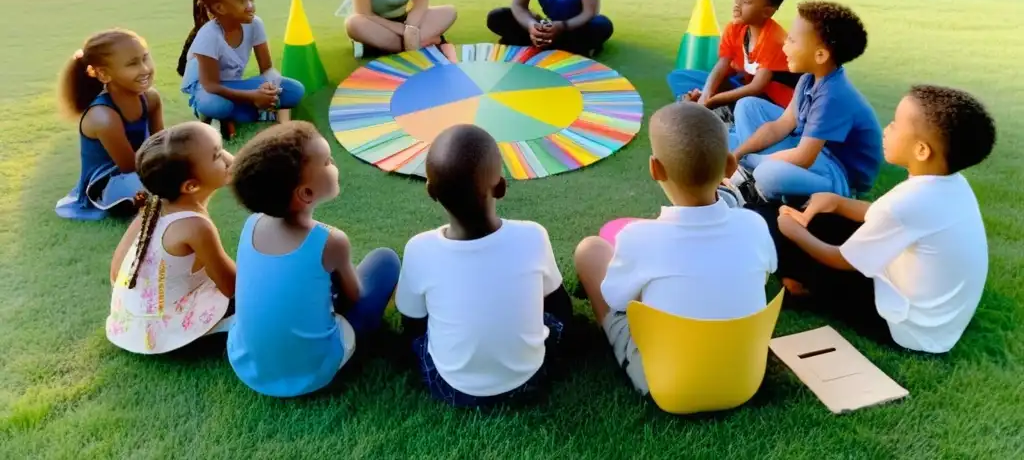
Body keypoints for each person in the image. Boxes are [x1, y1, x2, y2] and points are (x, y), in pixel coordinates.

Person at [773, 85, 996, 353]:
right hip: (940, 322)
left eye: (895, 124)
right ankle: (805, 276)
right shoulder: (951, 184)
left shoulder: (908, 202)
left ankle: (801, 288)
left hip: (907, 328)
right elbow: (885, 216)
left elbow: (841, 259)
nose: (887, 129)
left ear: (922, 150)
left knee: (804, 235)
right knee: (825, 217)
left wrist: (792, 232)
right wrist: (838, 203)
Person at [574, 102, 777, 396]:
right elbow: (764, 274)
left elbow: (616, 299)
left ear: (655, 169)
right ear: (731, 166)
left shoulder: (638, 237)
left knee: (590, 250)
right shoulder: (755, 225)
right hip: (746, 379)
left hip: (667, 386)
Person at [395, 124, 572, 408]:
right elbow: (556, 301)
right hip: (530, 380)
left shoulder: (419, 248)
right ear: (501, 187)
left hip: (453, 389)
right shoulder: (532, 235)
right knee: (558, 317)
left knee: (418, 337)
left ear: (430, 191)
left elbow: (413, 320)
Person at [226, 122, 401, 398]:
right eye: (328, 161)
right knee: (385, 261)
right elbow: (354, 297)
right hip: (312, 370)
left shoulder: (252, 224)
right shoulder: (330, 241)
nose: (334, 165)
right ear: (305, 193)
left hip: (249, 364)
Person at [730, 1, 883, 201]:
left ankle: (758, 182)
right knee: (747, 106)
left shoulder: (833, 96)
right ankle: (750, 170)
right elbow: (781, 125)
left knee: (767, 174)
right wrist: (739, 154)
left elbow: (803, 157)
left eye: (792, 41)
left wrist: (749, 160)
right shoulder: (809, 78)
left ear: (820, 55)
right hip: (814, 152)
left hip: (837, 173)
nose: (784, 46)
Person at [106, 122, 237, 354]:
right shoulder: (195, 226)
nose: (227, 158)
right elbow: (232, 286)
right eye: (217, 154)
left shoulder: (153, 206)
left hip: (129, 325)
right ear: (191, 185)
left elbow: (117, 274)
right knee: (265, 295)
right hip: (169, 335)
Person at [177, 0, 305, 140]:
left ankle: (238, 114)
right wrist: (253, 96)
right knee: (219, 105)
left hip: (235, 85)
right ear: (219, 8)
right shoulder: (209, 35)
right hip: (208, 90)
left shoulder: (255, 24)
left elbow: (267, 69)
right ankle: (218, 112)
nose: (250, 6)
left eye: (251, 0)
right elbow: (211, 85)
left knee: (294, 90)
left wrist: (270, 87)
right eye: (241, 1)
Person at [55, 29, 164, 221]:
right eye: (132, 64)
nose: (145, 69)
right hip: (110, 181)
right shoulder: (103, 117)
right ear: (104, 74)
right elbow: (129, 166)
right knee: (150, 187)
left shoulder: (151, 98)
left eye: (145, 58)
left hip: (143, 166)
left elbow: (161, 143)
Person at [667, 0, 796, 120]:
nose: (737, 5)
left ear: (767, 11)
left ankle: (718, 112)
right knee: (678, 77)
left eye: (746, 1)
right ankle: (708, 106)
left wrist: (713, 100)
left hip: (771, 100)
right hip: (743, 86)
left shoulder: (775, 40)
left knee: (746, 105)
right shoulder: (735, 29)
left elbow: (756, 88)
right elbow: (722, 66)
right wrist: (707, 94)